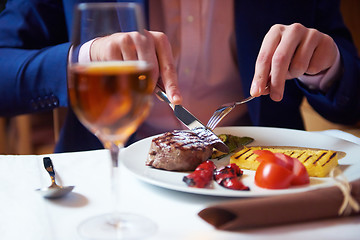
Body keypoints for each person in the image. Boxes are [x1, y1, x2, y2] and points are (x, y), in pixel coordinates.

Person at [0, 0, 359, 153]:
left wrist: (329, 68)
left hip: (265, 181)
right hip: (109, 174)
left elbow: (353, 102)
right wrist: (82, 59)